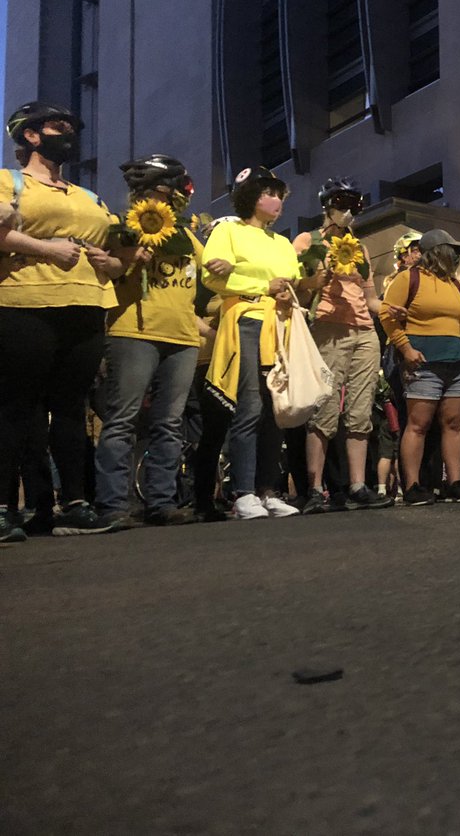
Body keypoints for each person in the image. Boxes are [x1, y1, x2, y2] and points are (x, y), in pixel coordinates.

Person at [0, 101, 125, 540]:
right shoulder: (7, 182)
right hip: (23, 304)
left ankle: (74, 503)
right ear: (31, 135)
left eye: (71, 127)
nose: (68, 133)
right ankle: (4, 508)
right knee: (16, 409)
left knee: (71, 409)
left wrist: (111, 263)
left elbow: (115, 252)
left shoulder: (88, 196)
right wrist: (47, 248)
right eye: (58, 126)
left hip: (87, 305)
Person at [93, 154, 206, 530]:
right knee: (121, 420)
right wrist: (127, 261)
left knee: (169, 423)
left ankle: (161, 501)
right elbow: (105, 270)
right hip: (133, 331)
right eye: (171, 189)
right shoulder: (122, 227)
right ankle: (112, 504)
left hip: (183, 336)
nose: (175, 198)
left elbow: (209, 277)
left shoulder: (187, 235)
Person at [199, 166, 304, 519]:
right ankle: (243, 492)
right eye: (267, 193)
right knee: (249, 406)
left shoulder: (283, 242)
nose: (276, 200)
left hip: (279, 325)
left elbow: (291, 283)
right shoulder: (228, 230)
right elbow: (210, 277)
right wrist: (264, 286)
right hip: (244, 322)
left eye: (278, 193)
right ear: (250, 197)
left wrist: (286, 292)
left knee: (276, 409)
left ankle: (268, 489)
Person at [292, 178, 391, 513]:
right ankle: (316, 489)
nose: (348, 213)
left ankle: (358, 485)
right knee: (325, 408)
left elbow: (371, 298)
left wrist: (391, 308)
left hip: (364, 330)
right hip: (328, 327)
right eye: (341, 205)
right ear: (327, 206)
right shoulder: (309, 240)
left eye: (354, 207)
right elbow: (296, 289)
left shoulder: (359, 248)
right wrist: (315, 279)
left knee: (361, 410)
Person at [380, 229, 460, 505]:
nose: (457, 257)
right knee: (418, 424)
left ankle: (456, 482)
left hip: (457, 363)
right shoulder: (408, 278)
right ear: (438, 252)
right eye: (452, 251)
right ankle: (412, 486)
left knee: (452, 424)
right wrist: (406, 348)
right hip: (423, 362)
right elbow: (387, 314)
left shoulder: (456, 285)